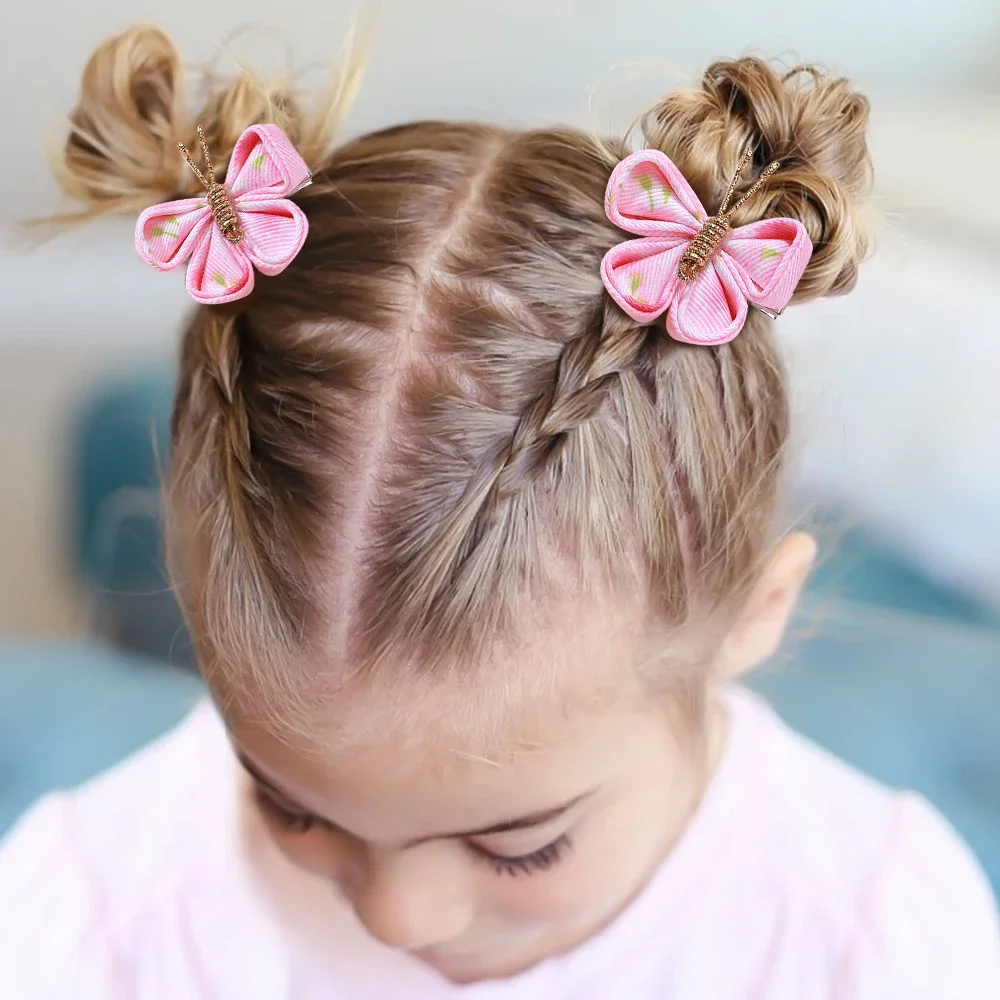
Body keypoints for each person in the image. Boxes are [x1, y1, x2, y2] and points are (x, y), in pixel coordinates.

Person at [2, 23, 999, 999]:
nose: (398, 917)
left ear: (752, 611)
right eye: (290, 804)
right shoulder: (101, 907)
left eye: (521, 847)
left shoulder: (866, 936)